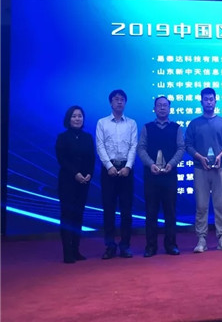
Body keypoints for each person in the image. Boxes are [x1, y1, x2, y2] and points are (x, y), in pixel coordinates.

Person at [185, 87, 222, 252]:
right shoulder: (194, 124)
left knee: (221, 206)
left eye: (211, 99)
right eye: (205, 99)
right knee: (201, 206)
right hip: (201, 169)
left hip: (220, 169)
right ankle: (201, 240)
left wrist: (221, 155)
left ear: (215, 101)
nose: (208, 102)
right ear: (201, 102)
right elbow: (188, 145)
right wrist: (200, 157)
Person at [137, 96, 185, 257]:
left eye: (165, 105)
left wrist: (172, 164)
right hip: (151, 175)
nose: (162, 108)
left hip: (170, 175)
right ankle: (151, 246)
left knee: (170, 211)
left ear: (169, 108)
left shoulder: (176, 128)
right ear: (155, 108)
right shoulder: (147, 127)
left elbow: (181, 148)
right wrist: (151, 164)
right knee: (151, 212)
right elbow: (141, 148)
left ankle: (171, 244)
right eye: (159, 105)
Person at [96, 89, 138, 259]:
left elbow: (134, 146)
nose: (119, 102)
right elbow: (100, 146)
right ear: (111, 102)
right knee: (109, 210)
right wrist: (108, 166)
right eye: (116, 99)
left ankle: (125, 245)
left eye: (122, 99)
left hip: (126, 170)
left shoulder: (131, 123)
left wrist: (128, 167)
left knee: (126, 210)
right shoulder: (102, 123)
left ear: (125, 103)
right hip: (109, 171)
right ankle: (110, 246)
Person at [55, 105, 95, 263]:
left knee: (79, 215)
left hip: (84, 182)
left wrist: (89, 174)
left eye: (80, 116)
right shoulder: (62, 137)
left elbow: (91, 158)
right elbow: (62, 159)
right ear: (68, 119)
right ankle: (67, 252)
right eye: (74, 116)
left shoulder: (88, 137)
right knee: (67, 216)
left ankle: (76, 250)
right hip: (67, 181)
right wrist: (76, 174)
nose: (77, 119)